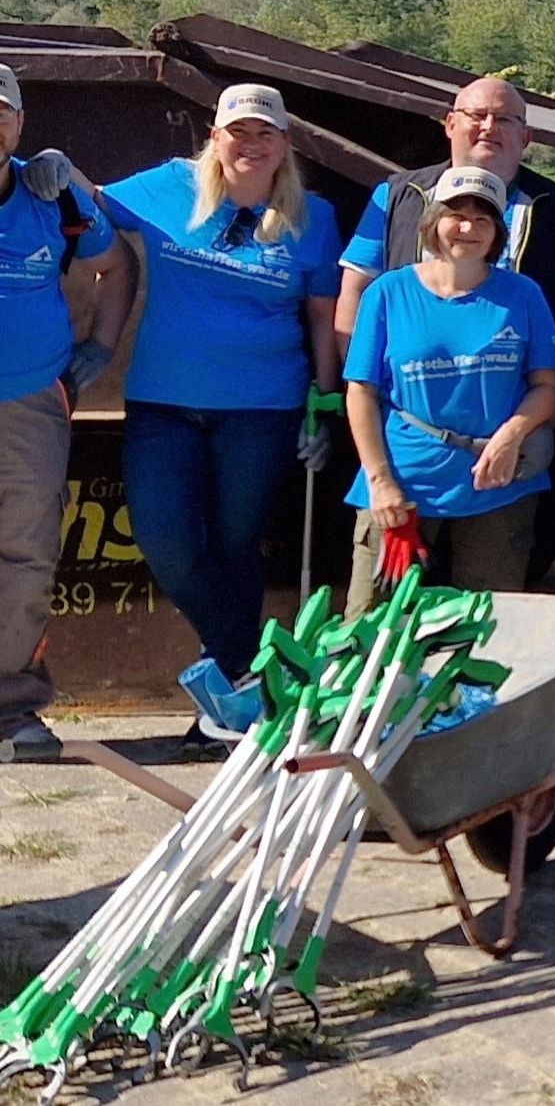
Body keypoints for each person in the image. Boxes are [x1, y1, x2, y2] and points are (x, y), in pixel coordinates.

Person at [100, 84, 341, 756]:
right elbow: (85, 208)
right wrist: (47, 169)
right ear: (215, 136)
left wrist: (323, 405)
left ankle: (224, 715)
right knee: (168, 543)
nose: (251, 144)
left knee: (235, 550)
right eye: (239, 131)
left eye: (265, 133)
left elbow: (323, 315)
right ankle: (248, 674)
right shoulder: (169, 188)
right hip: (164, 403)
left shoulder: (313, 216)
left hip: (263, 408)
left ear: (283, 143)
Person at [340, 166, 555, 613]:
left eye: (483, 220)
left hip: (495, 485)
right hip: (402, 486)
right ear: (432, 222)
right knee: (370, 624)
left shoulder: (523, 294)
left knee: (488, 628)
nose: (468, 229)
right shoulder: (388, 292)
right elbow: (361, 391)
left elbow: (547, 385)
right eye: (456, 216)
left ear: (498, 232)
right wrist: (380, 481)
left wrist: (510, 437)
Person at [0, 65, 130, 762]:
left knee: (24, 553)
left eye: (0, 113)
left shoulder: (50, 195)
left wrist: (101, 346)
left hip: (29, 405)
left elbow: (116, 267)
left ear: (19, 123)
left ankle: (11, 708)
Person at [332, 76, 555, 348]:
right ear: (450, 124)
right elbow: (356, 290)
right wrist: (358, 369)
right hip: (410, 371)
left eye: (504, 119)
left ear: (526, 137)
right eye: (477, 115)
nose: (489, 127)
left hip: (523, 371)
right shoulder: (396, 195)